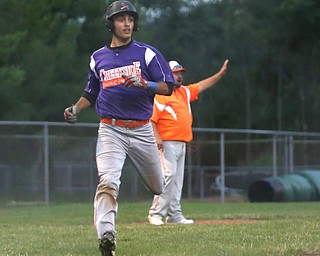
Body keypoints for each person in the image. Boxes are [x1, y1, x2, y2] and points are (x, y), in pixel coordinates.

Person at [63, 1, 175, 255]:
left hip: (142, 130)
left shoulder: (147, 53)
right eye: (121, 18)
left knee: (158, 186)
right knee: (108, 182)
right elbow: (91, 92)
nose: (127, 23)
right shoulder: (97, 57)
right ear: (110, 23)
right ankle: (107, 237)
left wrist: (145, 84)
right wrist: (76, 109)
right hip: (110, 129)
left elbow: (168, 86)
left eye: (130, 19)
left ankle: (151, 190)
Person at [148, 59, 229, 225]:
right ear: (166, 75)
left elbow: (202, 85)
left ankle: (174, 215)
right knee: (168, 176)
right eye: (175, 73)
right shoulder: (161, 95)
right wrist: (157, 138)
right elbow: (151, 120)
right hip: (166, 143)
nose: (179, 76)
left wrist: (219, 75)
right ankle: (155, 214)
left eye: (180, 73)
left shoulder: (184, 92)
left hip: (182, 143)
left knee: (177, 181)